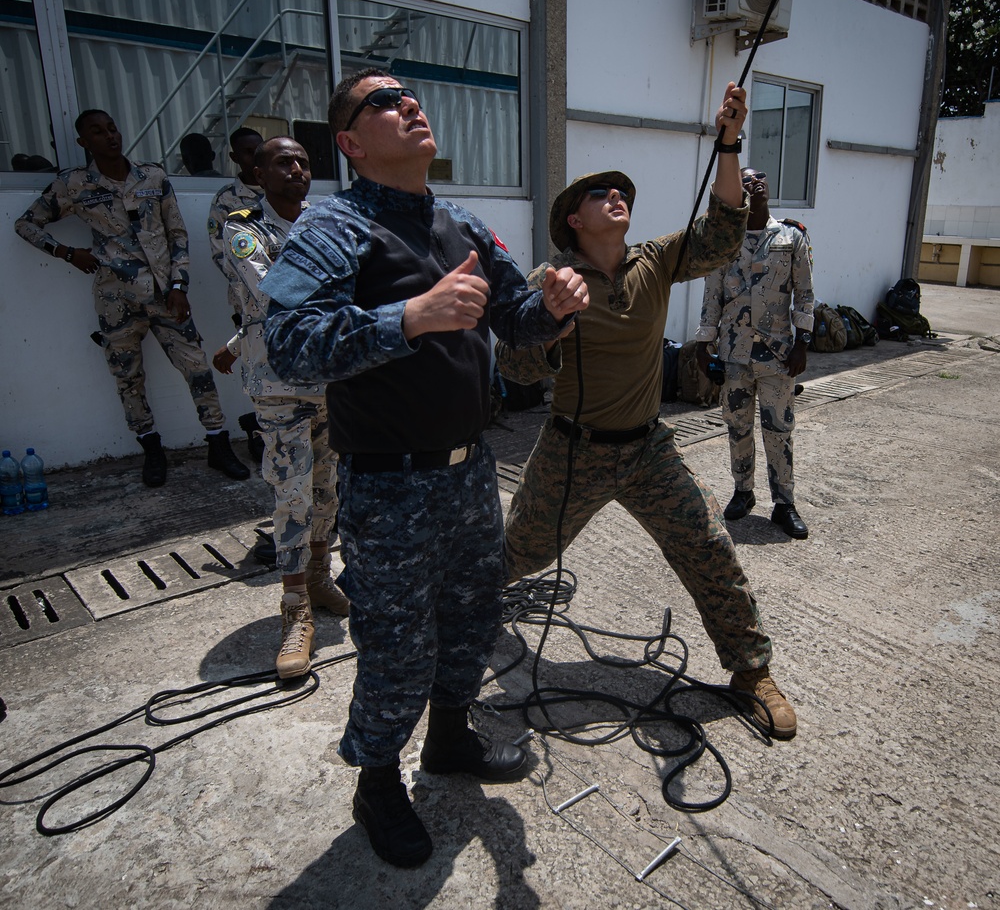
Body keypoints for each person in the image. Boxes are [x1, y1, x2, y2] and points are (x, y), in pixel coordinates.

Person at [261, 67, 590, 868]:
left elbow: (513, 321)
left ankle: (449, 740)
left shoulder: (463, 225)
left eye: (411, 95)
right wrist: (407, 317)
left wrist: (551, 307)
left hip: (470, 469)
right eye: (384, 101)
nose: (409, 104)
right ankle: (377, 784)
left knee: (474, 617)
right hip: (390, 481)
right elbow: (288, 345)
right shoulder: (336, 228)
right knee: (398, 643)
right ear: (349, 142)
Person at [496, 83, 798, 747]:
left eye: (621, 190)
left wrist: (728, 139)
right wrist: (550, 324)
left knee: (708, 547)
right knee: (519, 552)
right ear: (572, 220)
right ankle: (460, 603)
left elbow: (721, 233)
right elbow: (512, 371)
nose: (616, 196)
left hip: (649, 452)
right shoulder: (551, 282)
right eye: (599, 193)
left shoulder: (655, 261)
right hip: (573, 451)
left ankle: (752, 670)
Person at [14, 109, 250, 487]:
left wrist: (179, 286)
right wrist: (67, 253)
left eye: (112, 128)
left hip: (165, 297)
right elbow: (26, 223)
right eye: (98, 132)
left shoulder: (152, 176)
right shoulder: (74, 184)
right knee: (128, 379)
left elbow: (177, 235)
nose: (110, 136)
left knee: (198, 370)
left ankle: (218, 443)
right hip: (116, 301)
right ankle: (151, 448)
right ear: (83, 142)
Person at [211, 136, 347, 678]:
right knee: (292, 494)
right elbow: (273, 293)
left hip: (332, 384)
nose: (296, 169)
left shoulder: (325, 221)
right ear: (258, 173)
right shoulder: (244, 228)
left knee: (327, 489)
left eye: (303, 162)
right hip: (280, 386)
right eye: (282, 162)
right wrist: (245, 337)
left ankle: (318, 576)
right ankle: (294, 612)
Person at [694, 166, 815, 539]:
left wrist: (803, 342)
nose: (756, 181)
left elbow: (805, 292)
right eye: (746, 180)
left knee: (779, 430)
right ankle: (743, 492)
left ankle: (784, 503)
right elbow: (712, 293)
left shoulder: (791, 237)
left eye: (761, 176)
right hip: (734, 354)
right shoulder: (725, 241)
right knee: (737, 427)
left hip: (778, 355)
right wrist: (703, 342)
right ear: (737, 192)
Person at [208, 127, 265, 325]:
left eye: (259, 150)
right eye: (248, 152)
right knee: (255, 354)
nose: (255, 157)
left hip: (288, 293)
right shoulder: (225, 200)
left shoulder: (281, 188)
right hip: (246, 298)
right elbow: (220, 253)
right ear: (234, 157)